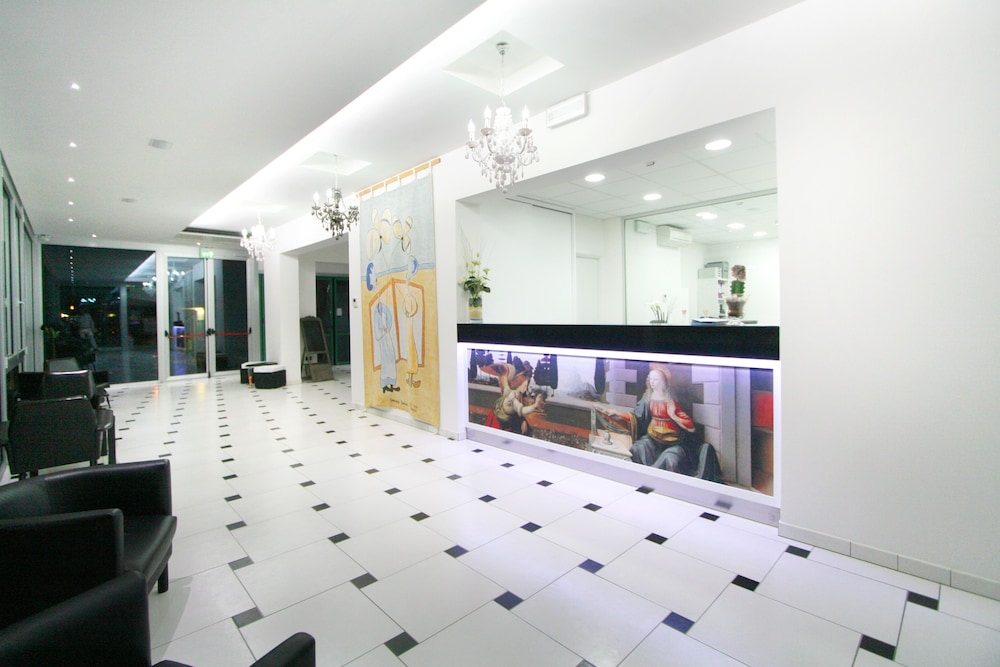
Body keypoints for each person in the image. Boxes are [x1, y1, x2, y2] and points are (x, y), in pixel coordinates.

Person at [628, 366, 696, 471]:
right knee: (636, 448)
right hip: (652, 439)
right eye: (650, 379)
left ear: (663, 381)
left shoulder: (670, 400)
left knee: (671, 460)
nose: (652, 382)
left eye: (655, 379)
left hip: (671, 442)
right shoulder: (647, 397)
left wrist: (673, 416)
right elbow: (637, 416)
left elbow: (691, 427)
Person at [482, 361, 544, 436]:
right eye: (524, 385)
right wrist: (535, 405)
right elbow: (520, 410)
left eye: (526, 385)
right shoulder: (511, 396)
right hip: (502, 426)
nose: (525, 389)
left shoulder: (516, 395)